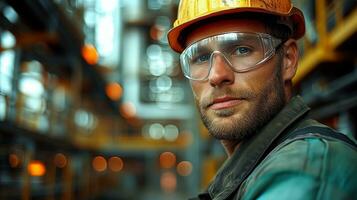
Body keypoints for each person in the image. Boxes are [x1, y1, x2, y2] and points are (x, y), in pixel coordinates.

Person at [167, 0, 357, 199]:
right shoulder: (245, 175)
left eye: (242, 49)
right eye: (201, 57)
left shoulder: (306, 171)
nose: (216, 75)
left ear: (288, 60)